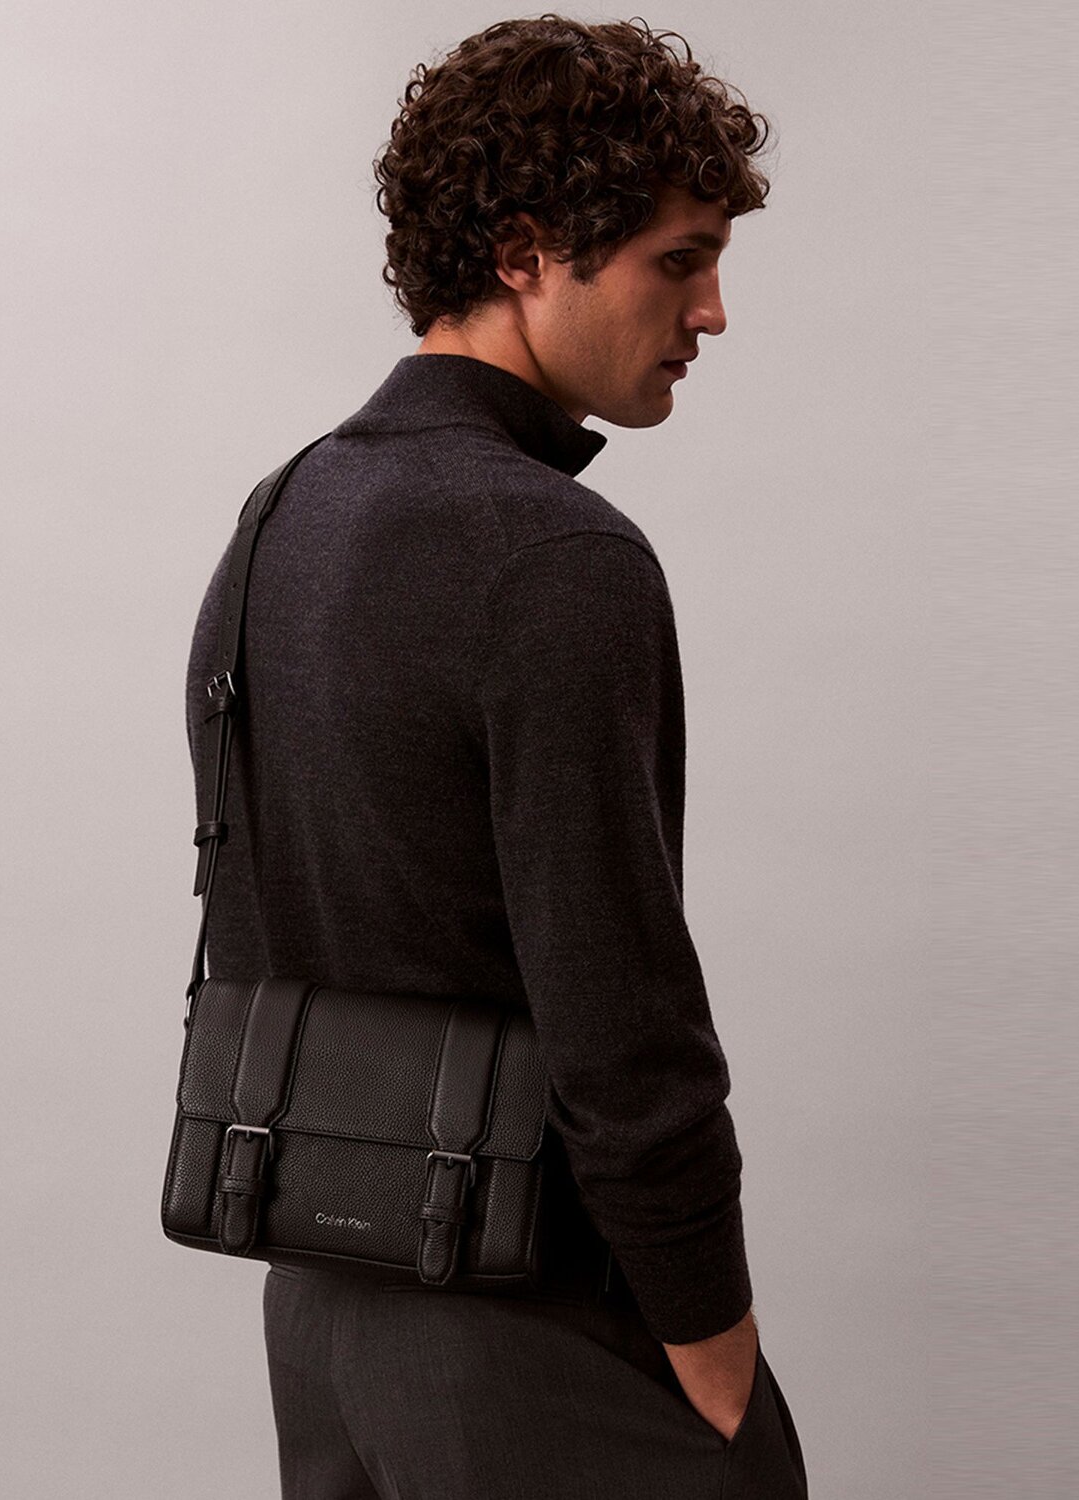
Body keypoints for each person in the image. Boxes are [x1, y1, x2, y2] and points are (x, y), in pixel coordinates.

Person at [184, 15, 808, 1497]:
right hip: (536, 1328)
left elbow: (254, 928)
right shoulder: (556, 556)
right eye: (678, 260)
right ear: (527, 252)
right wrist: (714, 1346)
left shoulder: (278, 519)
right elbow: (619, 1003)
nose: (713, 311)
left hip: (323, 1321)